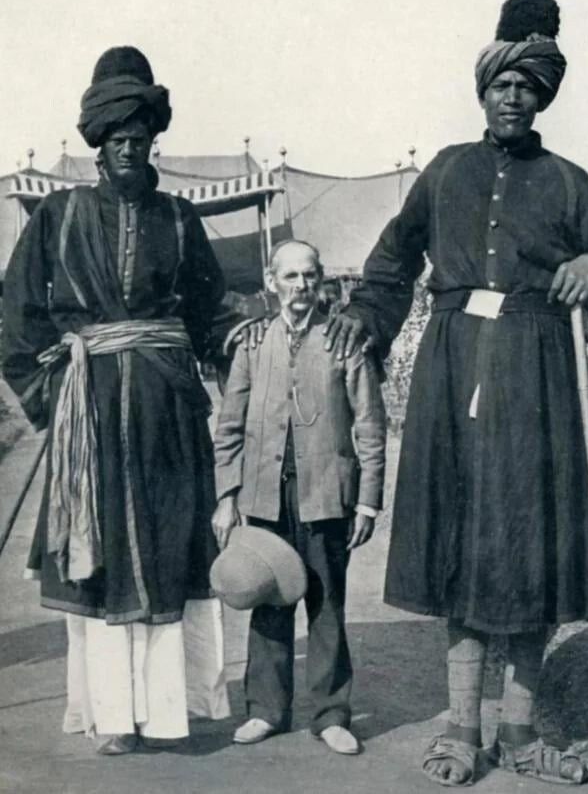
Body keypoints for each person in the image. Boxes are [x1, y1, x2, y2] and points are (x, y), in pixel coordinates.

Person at [323, 0, 588, 785]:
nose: (513, 97)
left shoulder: (569, 182)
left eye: (527, 87)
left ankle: (523, 733)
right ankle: (463, 729)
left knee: (532, 548)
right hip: (455, 368)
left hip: (539, 378)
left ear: (543, 97)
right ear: (483, 88)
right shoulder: (445, 173)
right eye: (502, 83)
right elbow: (392, 262)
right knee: (464, 546)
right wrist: (365, 314)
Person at [1, 46, 242, 754]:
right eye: (118, 139)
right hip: (92, 411)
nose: (130, 148)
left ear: (152, 141)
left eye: (140, 137)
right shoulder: (58, 215)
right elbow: (16, 315)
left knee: (170, 548)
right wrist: (56, 393)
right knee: (100, 557)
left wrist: (248, 352)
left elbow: (211, 313)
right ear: (98, 147)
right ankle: (112, 716)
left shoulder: (179, 219)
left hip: (168, 412)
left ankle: (169, 713)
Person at [212, 239, 386, 755]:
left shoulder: (345, 342)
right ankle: (265, 710)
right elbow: (229, 427)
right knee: (268, 600)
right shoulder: (252, 343)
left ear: (322, 280)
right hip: (264, 496)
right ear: (272, 282)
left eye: (309, 276)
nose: (301, 287)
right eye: (290, 277)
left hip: (326, 495)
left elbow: (371, 426)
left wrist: (367, 501)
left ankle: (331, 715)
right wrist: (227, 495)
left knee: (326, 605)